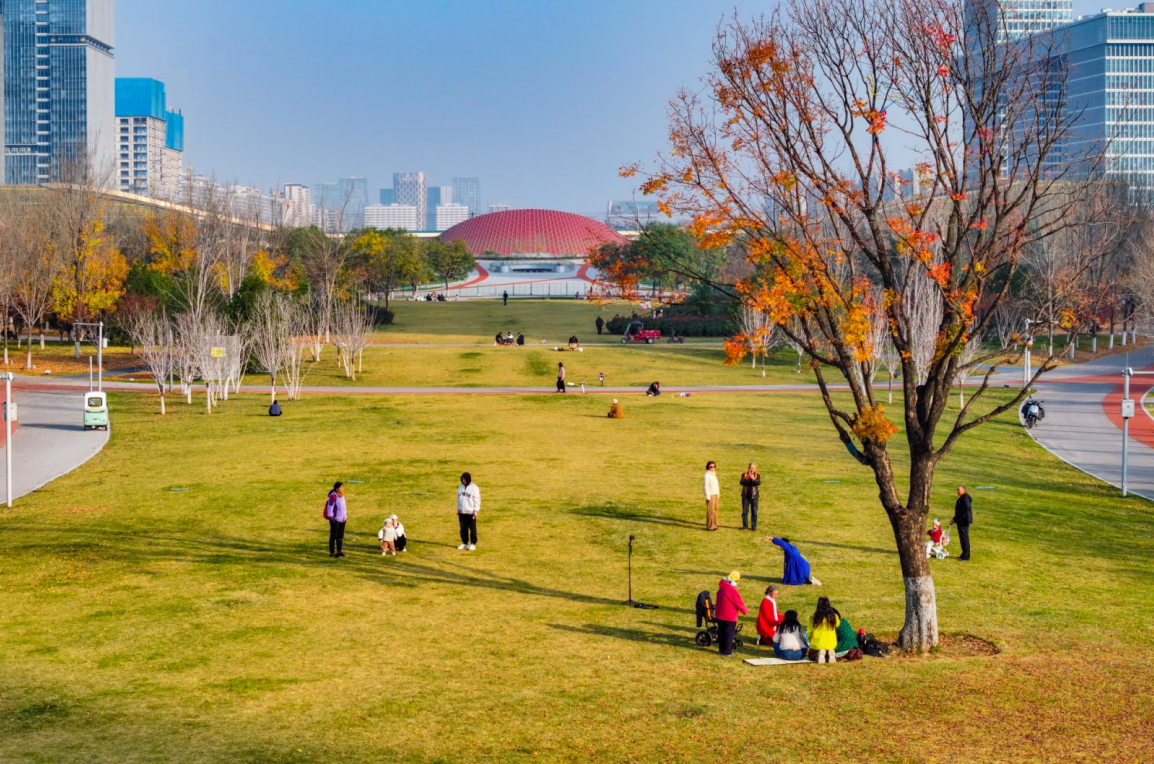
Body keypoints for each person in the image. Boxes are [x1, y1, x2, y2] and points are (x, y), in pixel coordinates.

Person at [715, 571, 748, 656]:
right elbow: (738, 602)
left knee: (721, 633)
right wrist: (744, 610)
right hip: (729, 615)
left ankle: (721, 650)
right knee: (729, 634)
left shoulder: (722, 586)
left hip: (720, 614)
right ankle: (726, 652)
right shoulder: (731, 589)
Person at [810, 596, 841, 663]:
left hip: (817, 644)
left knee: (811, 654)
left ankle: (819, 654)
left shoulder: (813, 618)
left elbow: (809, 631)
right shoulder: (834, 616)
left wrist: (809, 639)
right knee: (828, 650)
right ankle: (830, 653)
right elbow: (838, 624)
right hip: (831, 644)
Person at [456, 472, 480, 551]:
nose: (464, 481)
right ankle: (465, 543)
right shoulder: (460, 487)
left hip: (471, 512)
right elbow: (458, 499)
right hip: (462, 512)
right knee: (463, 528)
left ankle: (473, 544)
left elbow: (477, 500)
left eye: (465, 479)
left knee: (472, 528)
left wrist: (476, 511)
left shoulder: (474, 488)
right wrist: (458, 509)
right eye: (462, 479)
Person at [949, 485, 973, 561]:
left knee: (964, 538)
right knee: (962, 538)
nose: (957, 492)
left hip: (963, 521)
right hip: (960, 521)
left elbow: (966, 509)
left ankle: (966, 556)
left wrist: (959, 518)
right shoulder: (962, 498)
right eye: (957, 490)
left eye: (959, 490)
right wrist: (954, 519)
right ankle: (963, 554)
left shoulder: (965, 498)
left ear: (964, 490)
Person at [324, 482, 347, 559]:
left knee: (340, 536)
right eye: (341, 487)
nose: (342, 488)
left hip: (342, 519)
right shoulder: (333, 496)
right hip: (335, 520)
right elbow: (330, 508)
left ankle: (339, 552)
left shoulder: (341, 495)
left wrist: (345, 517)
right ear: (337, 489)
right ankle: (332, 553)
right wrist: (332, 518)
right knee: (333, 536)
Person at [739, 462, 761, 532]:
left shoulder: (757, 475)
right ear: (748, 468)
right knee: (745, 512)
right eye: (750, 468)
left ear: (755, 469)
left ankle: (753, 526)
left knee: (754, 512)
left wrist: (753, 479)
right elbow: (741, 482)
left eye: (753, 468)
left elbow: (758, 482)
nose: (752, 469)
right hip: (745, 496)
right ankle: (745, 526)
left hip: (754, 497)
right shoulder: (744, 474)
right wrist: (747, 478)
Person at [703, 461, 720, 531]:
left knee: (715, 510)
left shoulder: (713, 474)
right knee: (711, 511)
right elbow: (705, 486)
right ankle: (710, 526)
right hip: (711, 495)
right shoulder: (707, 475)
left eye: (714, 466)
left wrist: (718, 494)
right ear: (708, 467)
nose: (713, 468)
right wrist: (707, 496)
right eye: (711, 467)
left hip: (715, 495)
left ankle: (715, 524)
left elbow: (716, 486)